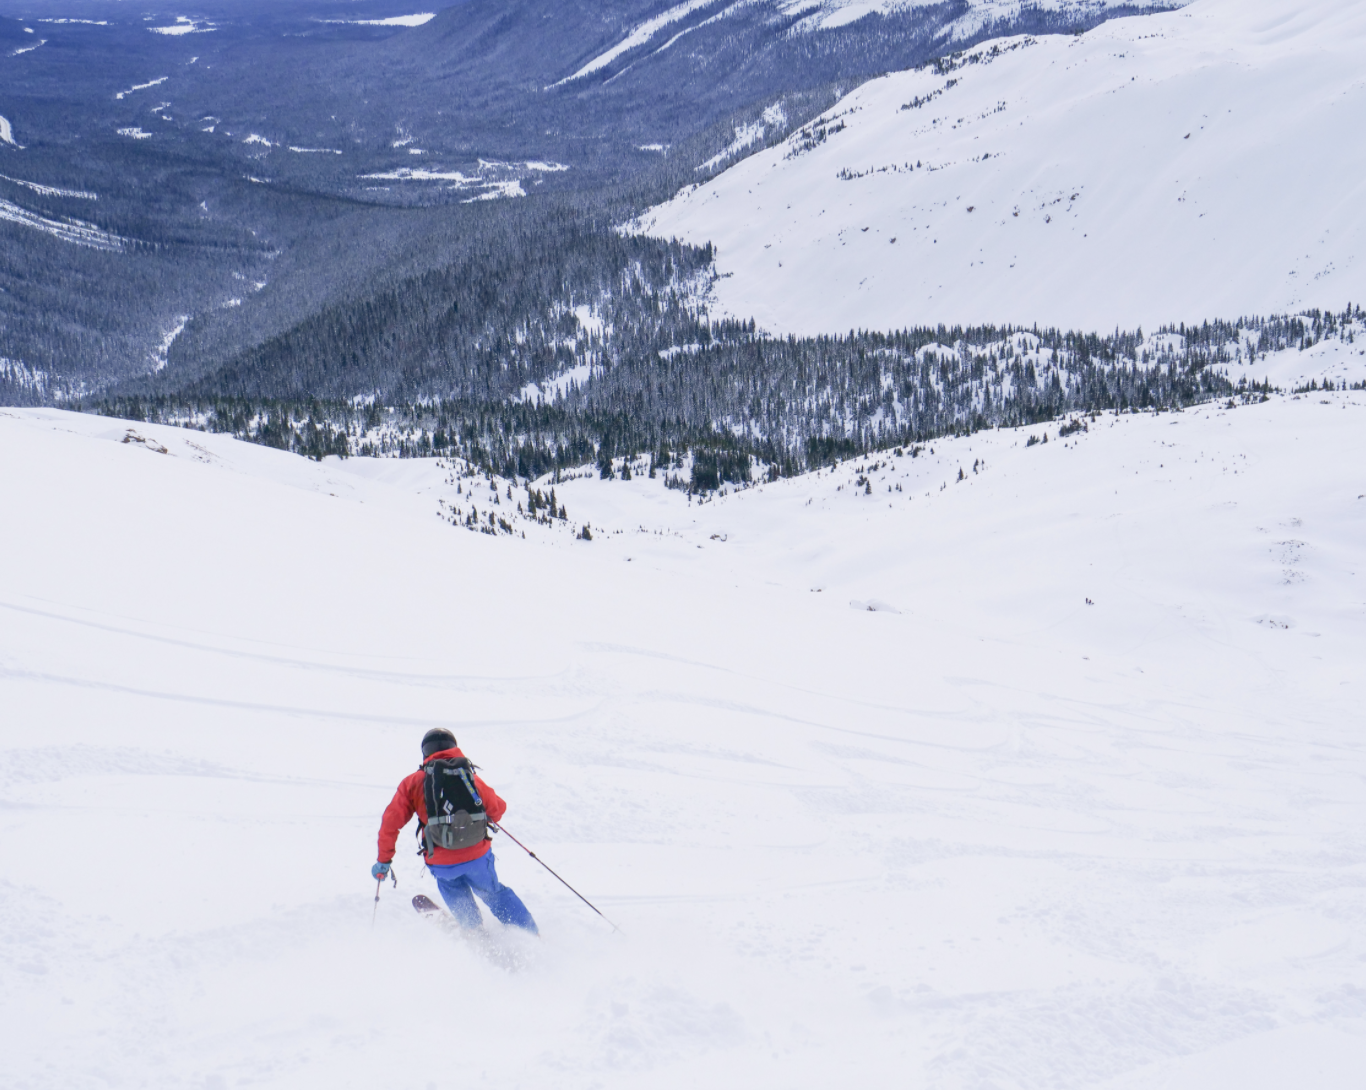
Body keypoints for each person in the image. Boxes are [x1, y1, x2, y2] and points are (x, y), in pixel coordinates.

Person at [372, 728, 538, 934]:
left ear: (425, 752)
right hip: (477, 856)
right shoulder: (469, 778)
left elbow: (390, 824)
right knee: (494, 894)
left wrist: (384, 861)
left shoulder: (413, 782)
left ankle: (474, 932)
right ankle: (529, 933)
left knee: (453, 889)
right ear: (455, 748)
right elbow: (498, 809)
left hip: (440, 860)